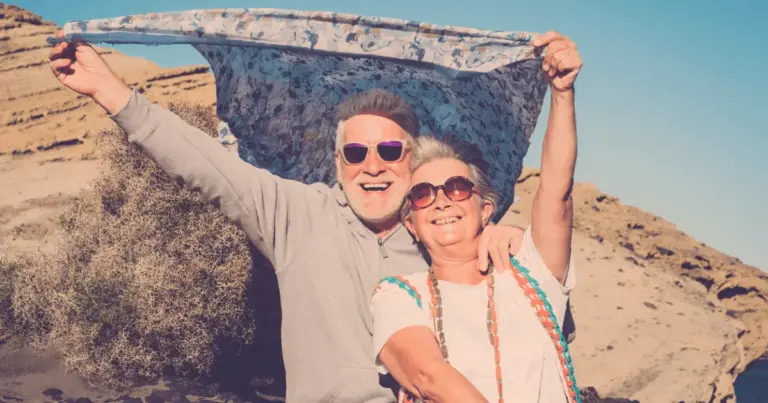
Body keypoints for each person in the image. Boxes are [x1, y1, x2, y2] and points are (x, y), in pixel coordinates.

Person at [47, 30, 534, 402]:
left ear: (413, 160)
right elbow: (204, 162)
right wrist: (110, 92)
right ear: (338, 163)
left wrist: (503, 237)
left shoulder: (439, 230)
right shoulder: (297, 216)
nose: (372, 166)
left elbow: (523, 310)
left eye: (389, 150)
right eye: (355, 152)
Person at [372, 32, 582, 402]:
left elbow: (556, 190)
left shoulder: (532, 271)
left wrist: (562, 95)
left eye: (455, 187)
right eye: (422, 194)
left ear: (485, 209)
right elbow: (427, 375)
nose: (440, 201)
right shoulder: (400, 295)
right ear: (412, 226)